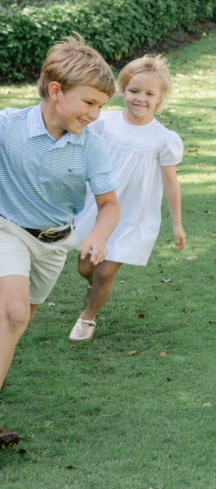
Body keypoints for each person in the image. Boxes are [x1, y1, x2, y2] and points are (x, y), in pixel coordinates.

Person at [0, 38, 119, 396]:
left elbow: (110, 205)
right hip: (9, 229)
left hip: (54, 244)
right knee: (14, 313)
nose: (94, 114)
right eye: (88, 102)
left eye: (100, 106)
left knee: (15, 324)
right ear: (56, 90)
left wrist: (98, 235)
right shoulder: (8, 126)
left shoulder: (91, 146)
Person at [69, 55, 186, 342]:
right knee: (87, 266)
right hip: (97, 208)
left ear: (160, 98)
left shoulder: (162, 138)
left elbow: (170, 182)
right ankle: (93, 285)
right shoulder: (103, 124)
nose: (140, 99)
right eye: (134, 91)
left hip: (133, 214)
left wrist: (177, 224)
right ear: (122, 90)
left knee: (107, 271)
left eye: (149, 94)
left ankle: (88, 318)